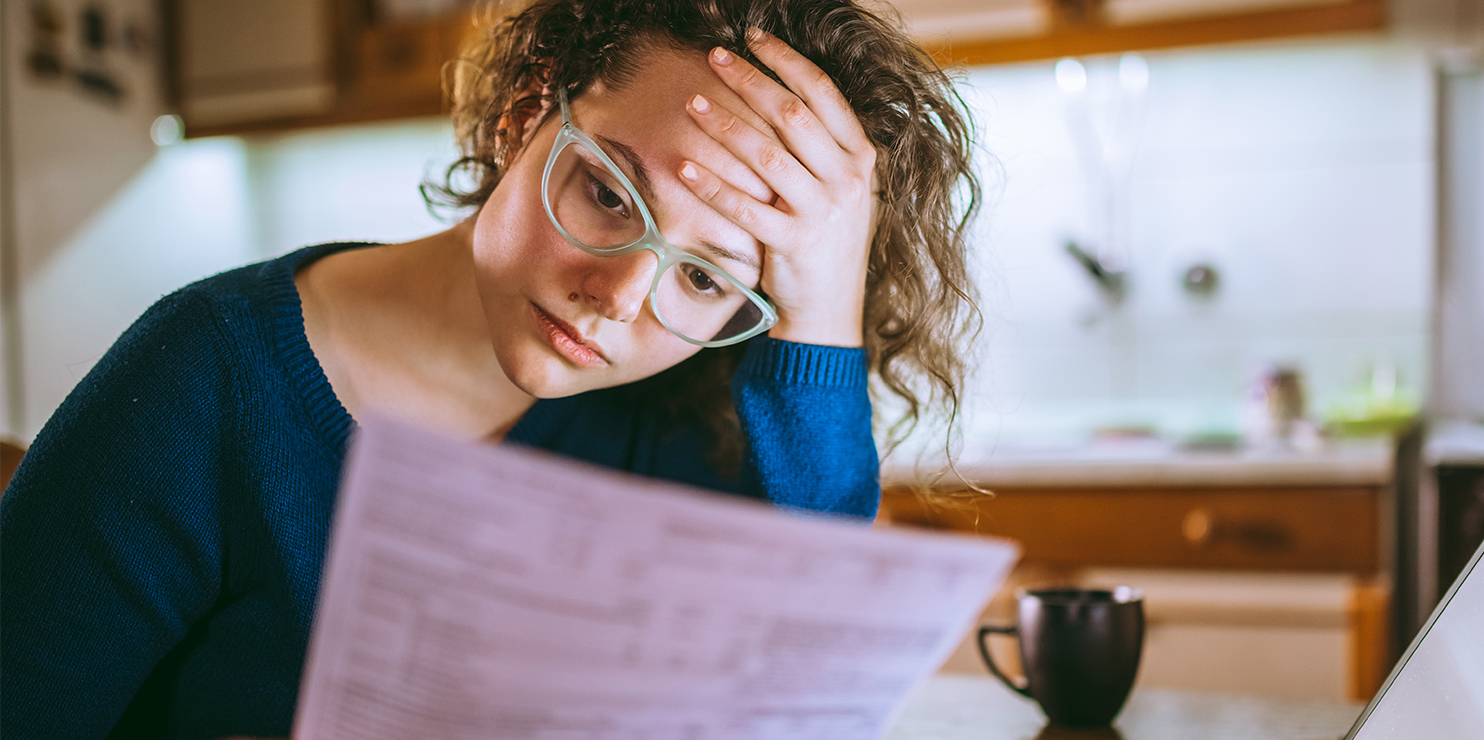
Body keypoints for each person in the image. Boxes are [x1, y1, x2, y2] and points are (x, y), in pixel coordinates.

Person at [0, 0, 982, 737]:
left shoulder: (675, 424)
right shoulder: (202, 377)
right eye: (604, 192)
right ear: (524, 112)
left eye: (703, 278)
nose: (619, 298)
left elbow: (811, 678)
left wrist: (818, 320)